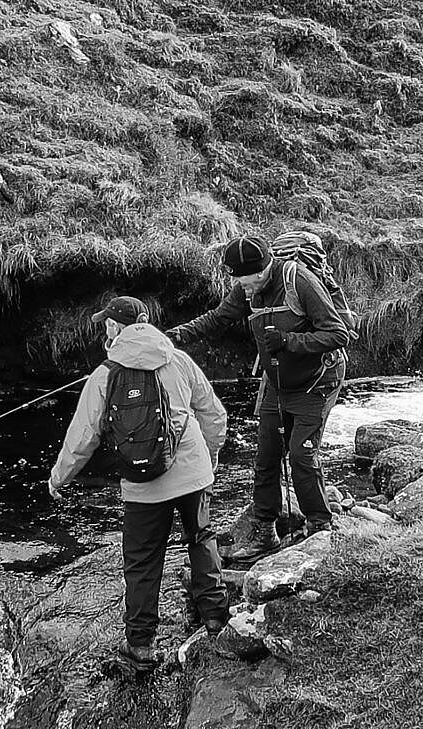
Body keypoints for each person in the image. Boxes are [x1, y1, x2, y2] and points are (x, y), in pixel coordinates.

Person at [47, 296, 230, 672]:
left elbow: (83, 437)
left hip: (141, 484)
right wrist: (210, 457)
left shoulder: (104, 375)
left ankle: (141, 646)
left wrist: (58, 478)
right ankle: (215, 617)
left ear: (115, 328)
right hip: (193, 472)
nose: (105, 329)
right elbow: (213, 412)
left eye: (107, 324)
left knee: (142, 562)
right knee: (201, 537)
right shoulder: (178, 360)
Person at [167, 232, 349, 560]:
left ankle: (320, 528)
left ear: (262, 270)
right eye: (237, 281)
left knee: (301, 456)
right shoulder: (245, 287)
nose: (242, 288)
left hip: (317, 382)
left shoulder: (300, 281)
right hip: (278, 383)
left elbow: (338, 333)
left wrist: (289, 340)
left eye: (245, 281)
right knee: (265, 456)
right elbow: (219, 317)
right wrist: (180, 334)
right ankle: (264, 530)